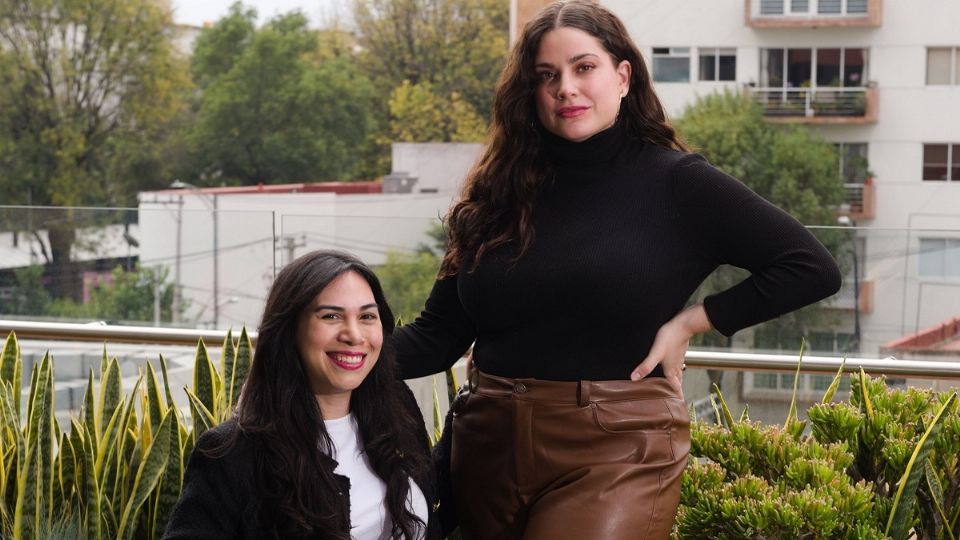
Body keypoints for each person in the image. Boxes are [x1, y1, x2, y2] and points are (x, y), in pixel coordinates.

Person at [392, 1, 842, 539]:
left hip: (616, 446)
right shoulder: (495, 196)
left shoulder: (678, 184)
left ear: (623, 76)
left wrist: (691, 322)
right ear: (530, 92)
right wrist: (312, 355)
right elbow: (437, 337)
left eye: (585, 67)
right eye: (546, 75)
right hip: (486, 442)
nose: (565, 88)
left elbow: (810, 266)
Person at [163, 250, 442, 540]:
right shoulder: (235, 454)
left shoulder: (399, 411)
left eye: (367, 316)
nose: (354, 335)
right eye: (331, 316)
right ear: (290, 330)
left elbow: (434, 492)